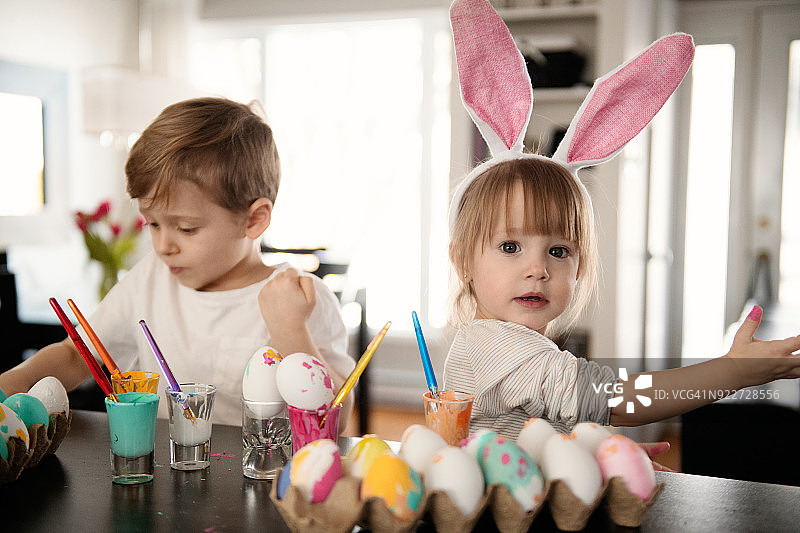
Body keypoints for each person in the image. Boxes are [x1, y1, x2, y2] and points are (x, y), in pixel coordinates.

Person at [443, 0, 800, 440]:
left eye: (558, 251)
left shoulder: (518, 344)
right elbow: (619, 401)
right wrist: (733, 372)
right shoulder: (496, 347)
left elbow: (541, 435)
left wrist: (593, 457)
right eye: (510, 247)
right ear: (462, 260)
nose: (538, 269)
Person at [0, 97, 355, 428]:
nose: (162, 245)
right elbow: (75, 356)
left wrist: (291, 330)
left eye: (186, 228)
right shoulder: (151, 278)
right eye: (152, 223)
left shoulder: (299, 300)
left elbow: (334, 423)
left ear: (253, 220)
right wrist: (7, 387)